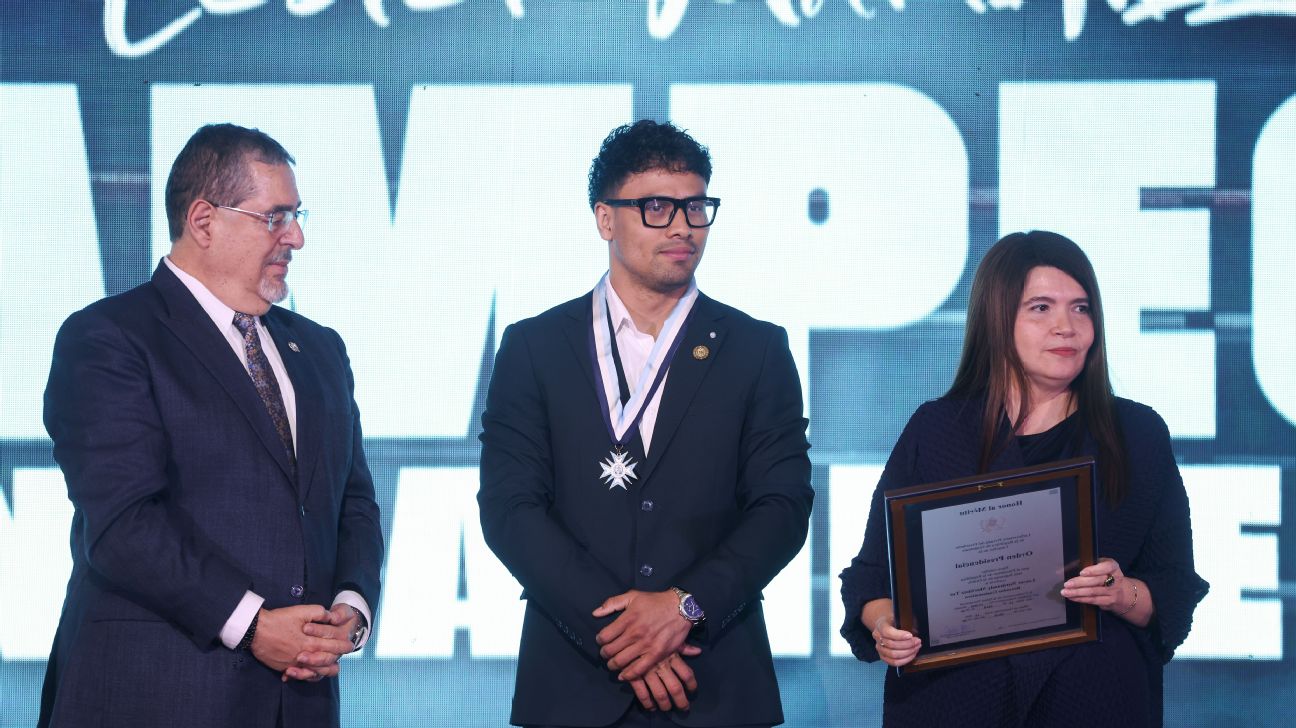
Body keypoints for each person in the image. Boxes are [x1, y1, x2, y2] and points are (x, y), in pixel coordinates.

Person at [38, 123, 385, 728]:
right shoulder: (109, 338)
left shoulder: (320, 349)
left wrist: (350, 608)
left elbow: (352, 501)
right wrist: (252, 625)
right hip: (158, 694)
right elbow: (123, 525)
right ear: (204, 221)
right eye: (275, 217)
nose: (296, 237)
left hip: (299, 703)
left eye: (297, 215)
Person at [478, 119, 813, 727]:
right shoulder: (534, 347)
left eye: (696, 207)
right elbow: (510, 509)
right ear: (606, 219)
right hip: (574, 684)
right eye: (657, 207)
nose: (683, 226)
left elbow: (783, 507)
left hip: (714, 682)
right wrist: (626, 636)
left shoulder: (757, 348)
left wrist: (685, 608)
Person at [838, 230, 1208, 727]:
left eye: (1081, 308)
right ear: (997, 319)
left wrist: (1123, 594)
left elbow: (1173, 586)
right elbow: (871, 576)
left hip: (1092, 701)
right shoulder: (937, 430)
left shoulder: (1137, 434)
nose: (1066, 327)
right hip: (955, 703)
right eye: (1041, 308)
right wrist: (886, 626)